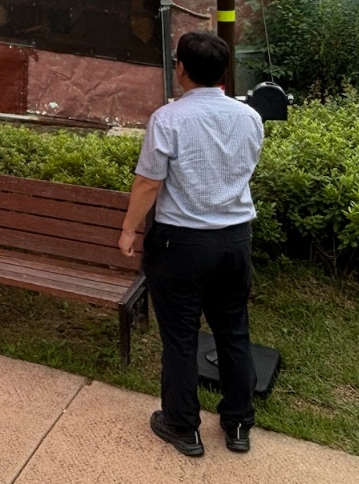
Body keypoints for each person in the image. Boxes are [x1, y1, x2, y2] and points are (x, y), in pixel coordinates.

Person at [118, 30, 264, 457]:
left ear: (180, 68)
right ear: (224, 72)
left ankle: (182, 426)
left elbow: (148, 182)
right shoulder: (250, 117)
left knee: (181, 337)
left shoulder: (169, 118)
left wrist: (128, 229)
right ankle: (238, 424)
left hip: (180, 244)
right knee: (233, 331)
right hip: (234, 240)